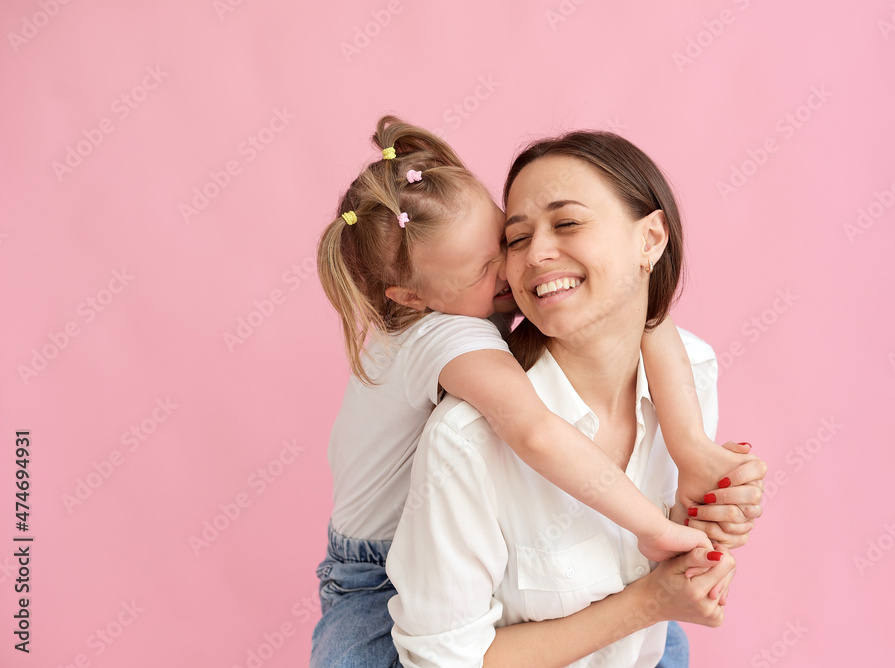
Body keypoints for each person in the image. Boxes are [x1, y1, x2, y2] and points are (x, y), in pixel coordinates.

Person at [311, 117, 764, 667]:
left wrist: (691, 450)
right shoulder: (447, 338)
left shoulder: (687, 365)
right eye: (509, 247)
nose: (521, 263)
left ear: (651, 238)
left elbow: (648, 315)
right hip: (371, 573)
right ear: (410, 296)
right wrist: (655, 528)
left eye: (505, 238)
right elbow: (535, 431)